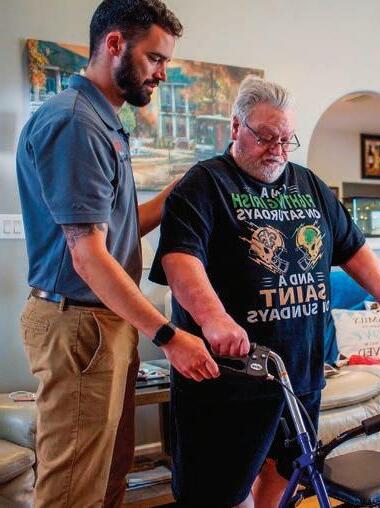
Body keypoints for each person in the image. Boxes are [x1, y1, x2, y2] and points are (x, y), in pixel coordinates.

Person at [149, 75, 380, 507]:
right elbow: (180, 260)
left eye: (286, 140)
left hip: (299, 373)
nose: (277, 150)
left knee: (285, 472)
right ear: (236, 127)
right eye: (266, 138)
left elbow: (353, 248)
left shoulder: (309, 185)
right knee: (218, 491)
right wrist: (215, 319)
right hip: (228, 377)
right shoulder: (204, 184)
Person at [16, 1, 221, 506]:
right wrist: (168, 335)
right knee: (73, 490)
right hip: (79, 323)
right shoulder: (75, 123)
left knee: (110, 475)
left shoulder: (104, 121)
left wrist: (179, 192)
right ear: (114, 45)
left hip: (105, 320)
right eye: (155, 58)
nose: (162, 73)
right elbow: (87, 257)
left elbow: (118, 231)